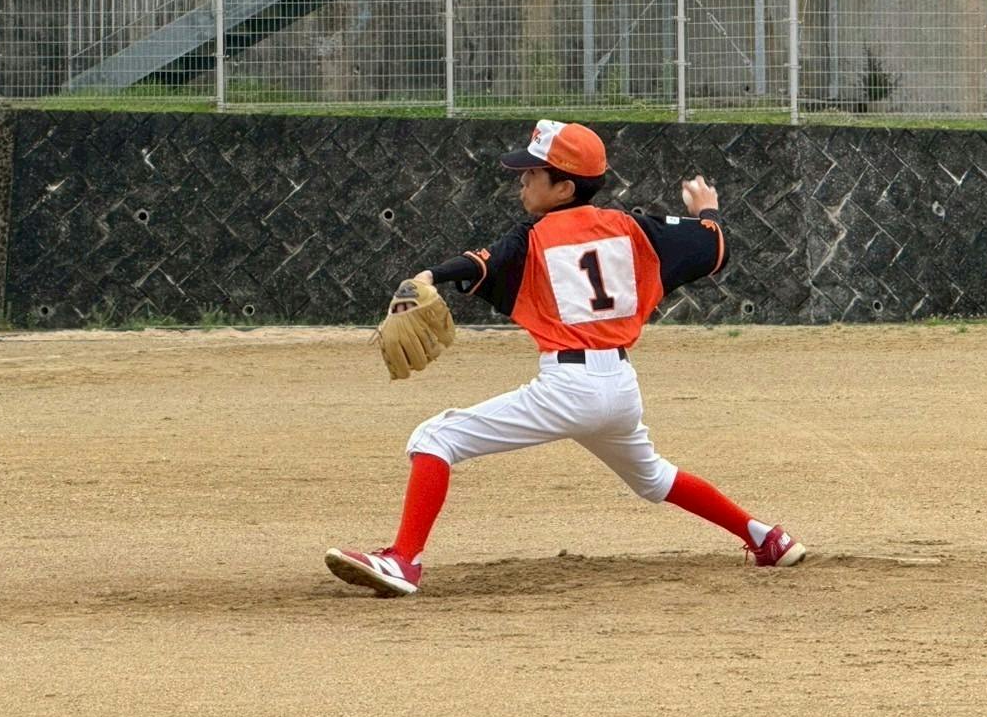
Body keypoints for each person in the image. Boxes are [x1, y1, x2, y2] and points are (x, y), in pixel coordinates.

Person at [325, 119, 805, 597]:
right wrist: (707, 211)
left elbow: (481, 263)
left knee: (435, 437)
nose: (523, 181)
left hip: (568, 389)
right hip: (620, 387)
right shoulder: (636, 228)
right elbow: (713, 245)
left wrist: (429, 275)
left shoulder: (532, 237)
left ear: (565, 187)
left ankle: (404, 561)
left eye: (533, 173)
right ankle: (767, 538)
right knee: (654, 477)